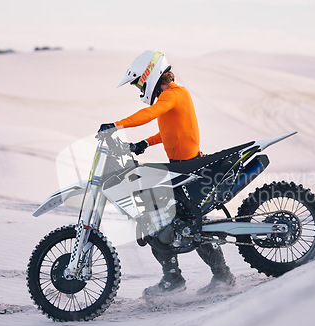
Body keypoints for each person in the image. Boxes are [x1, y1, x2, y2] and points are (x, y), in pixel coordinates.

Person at [99, 50, 235, 296]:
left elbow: (149, 114)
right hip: (182, 166)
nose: (140, 88)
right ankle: (217, 275)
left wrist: (117, 125)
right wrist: (144, 144)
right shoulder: (173, 97)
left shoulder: (172, 95)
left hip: (188, 168)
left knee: (162, 221)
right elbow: (170, 132)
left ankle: (177, 279)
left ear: (150, 75)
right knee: (183, 223)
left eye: (139, 82)